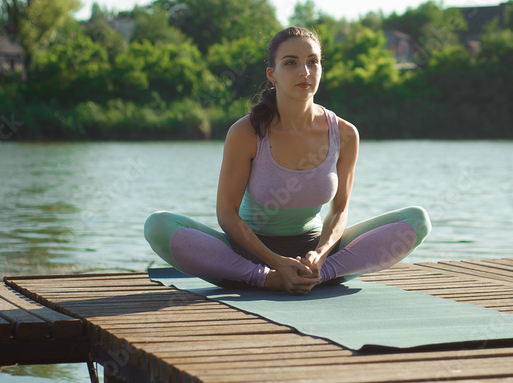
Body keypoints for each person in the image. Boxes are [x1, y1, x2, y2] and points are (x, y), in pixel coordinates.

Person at [144, 26, 430, 294]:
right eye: (291, 63)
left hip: (315, 250)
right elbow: (227, 214)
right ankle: (262, 278)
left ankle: (318, 275)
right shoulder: (246, 132)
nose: (304, 71)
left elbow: (340, 209)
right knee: (158, 226)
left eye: (313, 62)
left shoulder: (344, 133)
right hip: (247, 251)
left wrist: (320, 256)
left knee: (416, 221)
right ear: (272, 74)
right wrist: (273, 265)